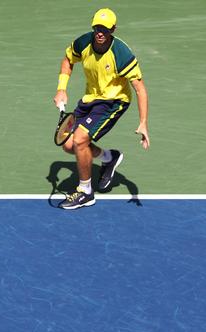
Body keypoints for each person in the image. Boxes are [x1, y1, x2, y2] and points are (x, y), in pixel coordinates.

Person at [53, 8, 150, 209]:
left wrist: (143, 123)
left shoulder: (121, 53)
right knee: (69, 145)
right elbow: (67, 60)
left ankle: (85, 192)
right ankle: (109, 157)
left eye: (105, 29)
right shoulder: (83, 43)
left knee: (80, 140)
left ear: (113, 29)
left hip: (114, 101)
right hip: (91, 98)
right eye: (97, 27)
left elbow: (140, 89)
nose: (100, 32)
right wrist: (61, 89)